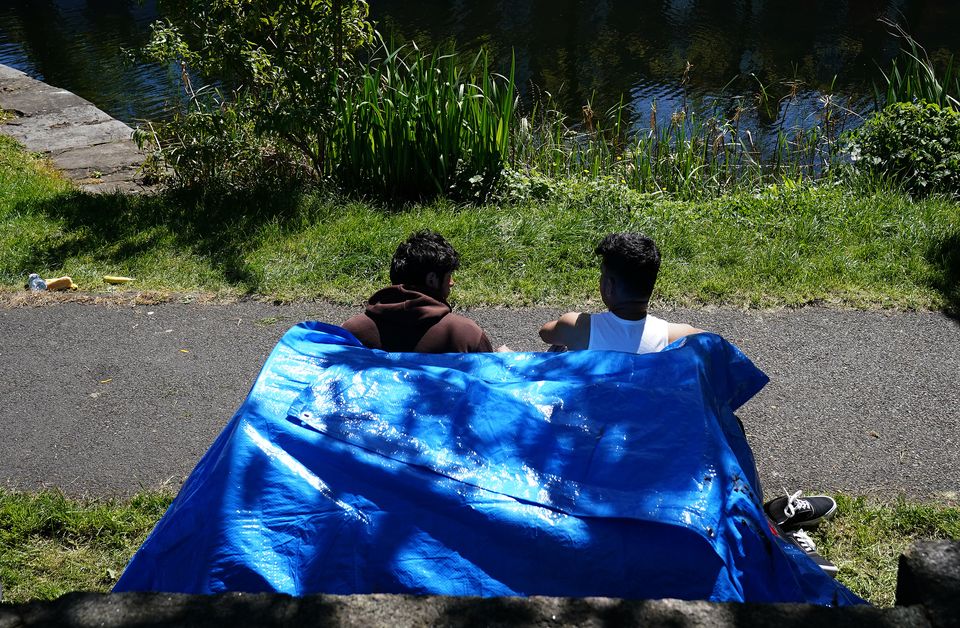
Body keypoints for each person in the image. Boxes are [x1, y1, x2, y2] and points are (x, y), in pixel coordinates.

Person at [539, 232, 838, 576]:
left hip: (597, 450)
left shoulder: (579, 327)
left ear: (607, 284)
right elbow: (716, 349)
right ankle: (764, 520)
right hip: (660, 454)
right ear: (651, 283)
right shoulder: (678, 335)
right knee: (728, 426)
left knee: (556, 359)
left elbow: (546, 334)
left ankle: (771, 526)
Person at [342, 230, 493, 353]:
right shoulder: (466, 336)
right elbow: (492, 386)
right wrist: (508, 361)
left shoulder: (352, 331)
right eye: (448, 276)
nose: (452, 283)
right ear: (432, 280)